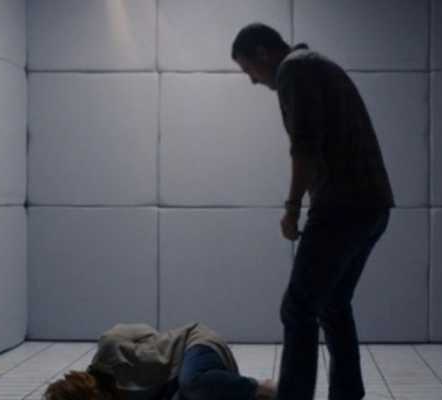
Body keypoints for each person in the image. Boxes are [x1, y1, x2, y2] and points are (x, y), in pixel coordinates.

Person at [231, 23, 395, 400]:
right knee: (333, 303)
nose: (252, 80)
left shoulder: (294, 69)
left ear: (262, 52)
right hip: (372, 206)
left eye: (248, 69)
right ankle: (347, 394)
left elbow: (304, 145)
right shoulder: (318, 64)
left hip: (342, 206)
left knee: (298, 307)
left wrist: (292, 208)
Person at [43, 322, 277, 400]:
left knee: (191, 382)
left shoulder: (108, 350)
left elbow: (144, 331)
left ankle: (260, 387)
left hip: (192, 343)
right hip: (178, 380)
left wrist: (156, 349)